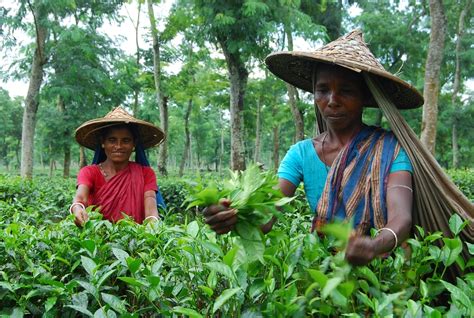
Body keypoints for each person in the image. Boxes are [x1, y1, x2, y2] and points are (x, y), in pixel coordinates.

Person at [204, 30, 425, 266]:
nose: (332, 100)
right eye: (323, 90)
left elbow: (401, 218)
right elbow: (267, 218)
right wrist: (233, 216)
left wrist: (373, 246)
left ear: (365, 96)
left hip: (385, 271)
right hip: (324, 267)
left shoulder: (389, 149)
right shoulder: (301, 154)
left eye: (346, 90)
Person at [70, 106, 166, 226]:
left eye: (126, 140)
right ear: (103, 142)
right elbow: (80, 198)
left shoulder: (145, 173)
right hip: (97, 239)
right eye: (112, 140)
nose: (119, 146)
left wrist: (152, 225)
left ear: (134, 144)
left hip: (134, 239)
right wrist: (77, 209)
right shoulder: (89, 172)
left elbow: (151, 208)